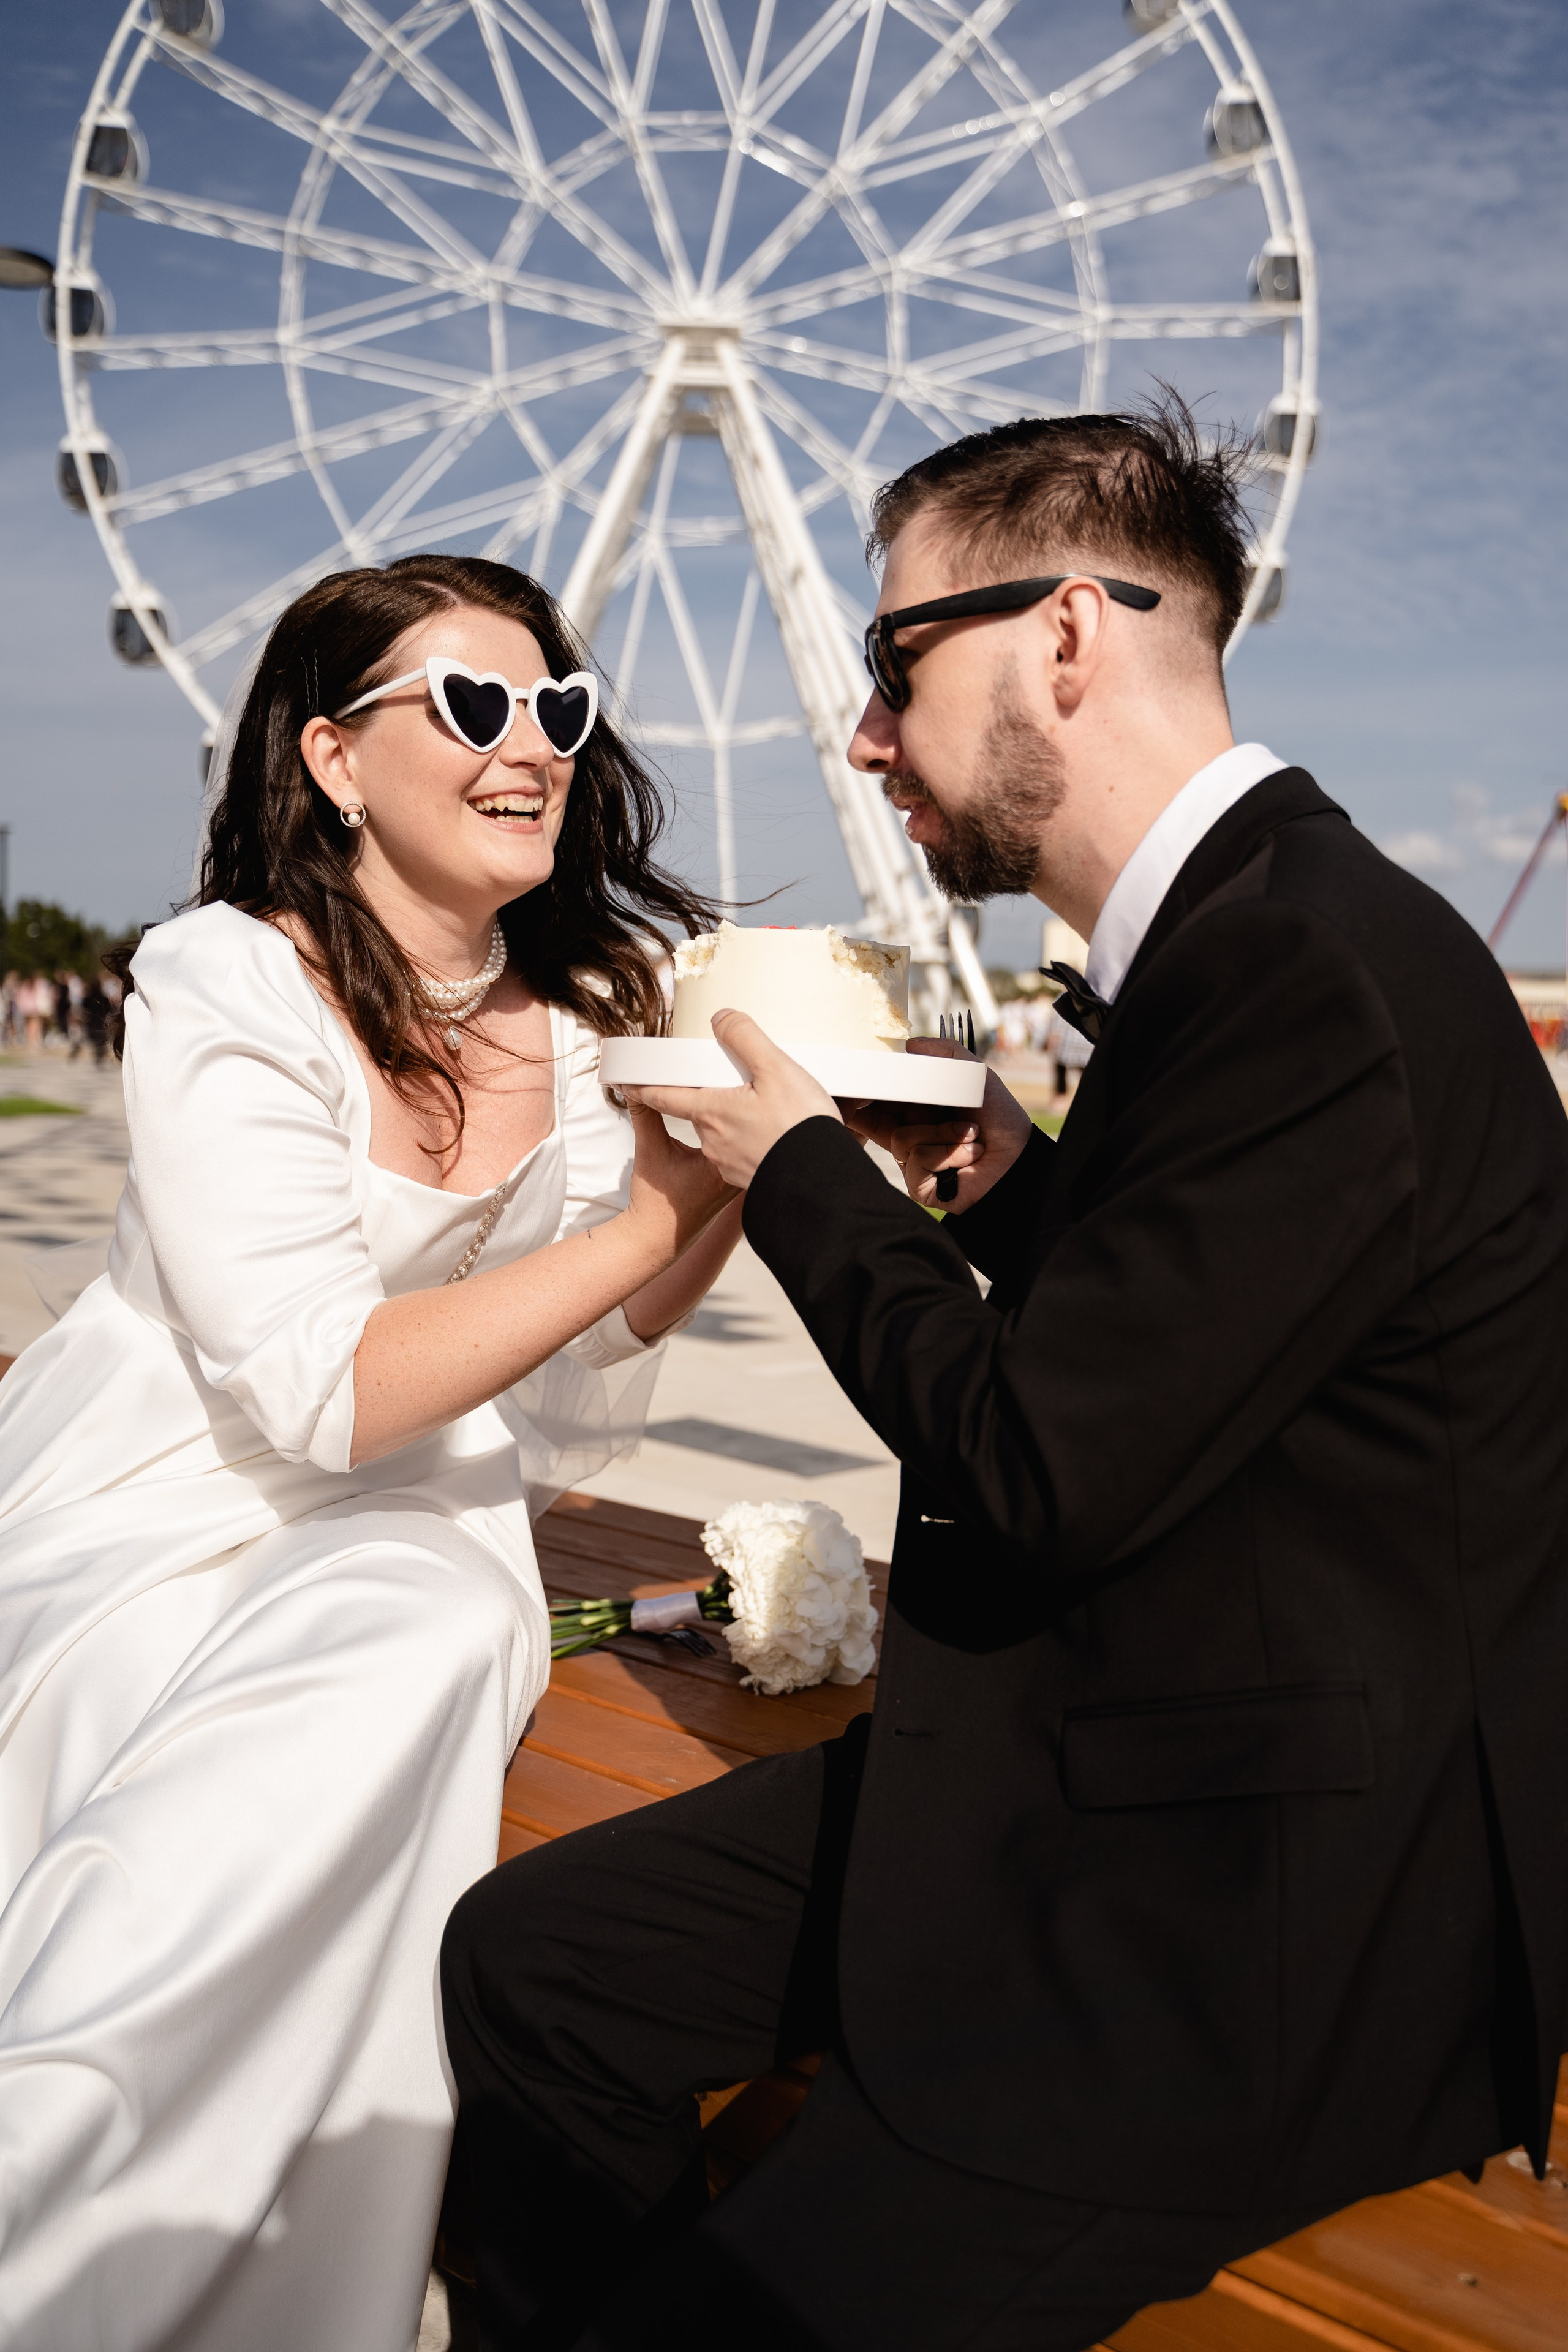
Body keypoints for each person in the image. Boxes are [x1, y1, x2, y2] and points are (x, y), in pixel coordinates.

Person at [441, 401, 1568, 2351]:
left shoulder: (1299, 963)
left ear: (1064, 638)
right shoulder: (1262, 935)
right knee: (532, 1967)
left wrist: (788, 1166)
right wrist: (995, 1181)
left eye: (895, 665)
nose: (862, 734)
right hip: (1110, 1762)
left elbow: (1040, 1466)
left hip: (1234, 1917)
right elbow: (1219, 1346)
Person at [0, 554, 739, 2351]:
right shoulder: (222, 977)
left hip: (413, 1513)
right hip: (158, 1496)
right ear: (333, 757)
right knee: (203, 1736)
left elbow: (557, 1412)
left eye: (556, 708)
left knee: (404, 1637)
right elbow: (316, 1388)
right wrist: (646, 1229)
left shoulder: (579, 1038)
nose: (534, 744)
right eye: (473, 705)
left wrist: (723, 1190)